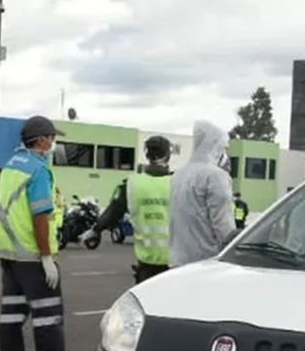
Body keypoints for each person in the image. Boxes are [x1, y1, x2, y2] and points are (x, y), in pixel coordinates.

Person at [0, 115, 82, 351]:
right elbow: (41, 216)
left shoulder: (10, 167)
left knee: (11, 317)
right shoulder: (39, 170)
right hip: (31, 255)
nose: (54, 143)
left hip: (9, 254)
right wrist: (46, 257)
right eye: (52, 138)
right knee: (49, 318)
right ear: (41, 139)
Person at [90, 135, 174, 281]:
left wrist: (95, 230)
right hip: (175, 264)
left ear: (147, 155)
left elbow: (113, 212)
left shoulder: (132, 183)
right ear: (168, 155)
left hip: (146, 265)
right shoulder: (178, 183)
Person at [169, 119, 237, 267]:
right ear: (216, 147)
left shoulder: (178, 174)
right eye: (224, 149)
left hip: (178, 260)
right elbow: (223, 226)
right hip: (205, 262)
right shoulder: (215, 176)